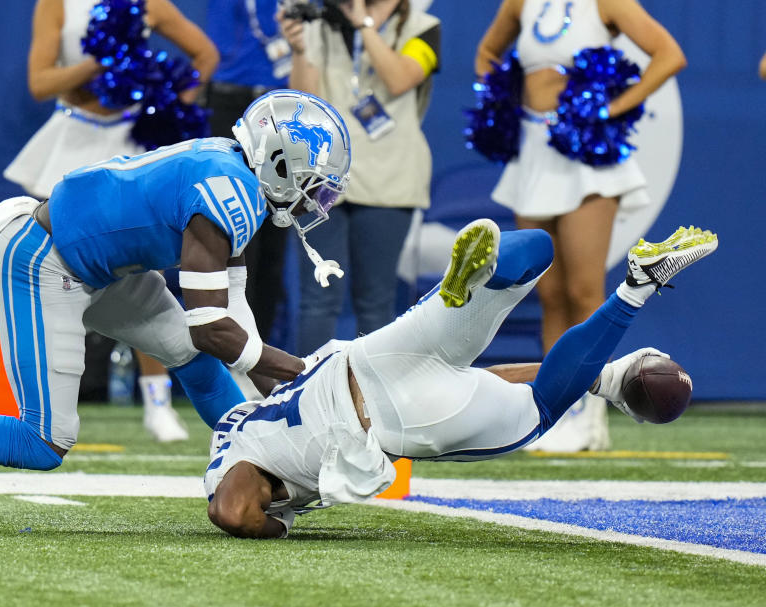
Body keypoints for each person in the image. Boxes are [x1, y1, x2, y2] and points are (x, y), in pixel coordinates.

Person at [0, 89, 352, 523]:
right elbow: (212, 325)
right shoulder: (228, 190)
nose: (316, 198)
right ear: (282, 162)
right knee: (45, 440)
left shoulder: (235, 175)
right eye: (315, 182)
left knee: (196, 359)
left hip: (103, 267)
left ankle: (250, 462)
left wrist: (281, 389)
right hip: (45, 260)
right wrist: (301, 373)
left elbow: (231, 319)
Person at [203, 220, 717, 538]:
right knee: (537, 250)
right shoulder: (269, 405)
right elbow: (483, 379)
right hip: (368, 359)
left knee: (537, 411)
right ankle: (494, 279)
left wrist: (279, 528)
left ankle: (635, 289)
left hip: (386, 423)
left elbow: (233, 512)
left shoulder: (236, 457)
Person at [4, 0, 220, 442]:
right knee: (47, 268)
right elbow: (40, 82)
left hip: (128, 144)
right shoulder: (56, 4)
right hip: (70, 140)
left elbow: (206, 54)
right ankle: (35, 401)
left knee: (147, 277)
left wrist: (170, 107)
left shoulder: (148, 4)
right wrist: (100, 62)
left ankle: (157, 406)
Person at [477, 0, 687, 452]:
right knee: (548, 292)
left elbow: (669, 54)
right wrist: (501, 97)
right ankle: (556, 411)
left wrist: (611, 110)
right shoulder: (521, 2)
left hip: (585, 156)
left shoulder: (608, 2)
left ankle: (594, 415)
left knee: (583, 292)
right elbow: (488, 53)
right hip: (534, 152)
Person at [277, 0, 441, 355]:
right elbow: (303, 104)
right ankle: (306, 396)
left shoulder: (422, 27)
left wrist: (364, 25)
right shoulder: (318, 24)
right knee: (317, 299)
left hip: (390, 179)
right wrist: (300, 50)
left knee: (376, 303)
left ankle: (371, 400)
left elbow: (399, 79)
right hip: (321, 177)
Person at [206, 0, 291, 348]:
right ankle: (228, 352)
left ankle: (261, 360)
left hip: (285, 108)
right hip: (230, 105)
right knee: (232, 233)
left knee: (276, 235)